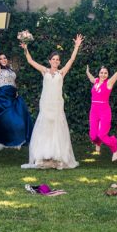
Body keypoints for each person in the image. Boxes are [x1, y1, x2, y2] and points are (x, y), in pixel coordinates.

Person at [21, 34, 84, 170]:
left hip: (57, 104)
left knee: (57, 129)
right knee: (45, 128)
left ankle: (57, 156)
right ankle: (43, 155)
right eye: (53, 59)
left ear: (59, 62)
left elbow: (72, 60)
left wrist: (76, 46)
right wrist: (25, 48)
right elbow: (31, 61)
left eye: (57, 59)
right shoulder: (44, 71)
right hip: (46, 104)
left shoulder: (62, 73)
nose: (55, 61)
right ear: (49, 61)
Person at [0, 28, 32, 149]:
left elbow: (14, 82)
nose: (3, 60)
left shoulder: (11, 70)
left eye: (5, 58)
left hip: (13, 95)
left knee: (20, 116)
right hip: (3, 96)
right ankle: (4, 140)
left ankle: (18, 140)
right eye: (1, 58)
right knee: (7, 118)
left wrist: (16, 91)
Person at [85, 53, 117, 161]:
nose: (103, 74)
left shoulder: (109, 83)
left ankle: (115, 149)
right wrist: (87, 72)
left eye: (105, 73)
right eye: (101, 72)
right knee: (93, 136)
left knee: (102, 135)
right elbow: (91, 78)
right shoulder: (96, 81)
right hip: (94, 110)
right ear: (99, 73)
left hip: (104, 111)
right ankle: (98, 143)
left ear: (108, 74)